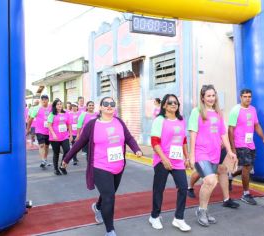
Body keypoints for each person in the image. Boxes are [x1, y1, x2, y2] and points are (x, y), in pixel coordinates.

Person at [62, 97, 142, 236]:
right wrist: (67, 158)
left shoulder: (119, 122)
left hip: (118, 165)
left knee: (109, 194)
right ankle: (110, 230)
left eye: (112, 104)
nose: (109, 106)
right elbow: (80, 142)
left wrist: (137, 149)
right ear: (101, 108)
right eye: (106, 104)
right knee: (109, 197)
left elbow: (128, 138)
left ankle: (98, 206)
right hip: (100, 166)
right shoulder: (92, 125)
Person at [188, 84, 236, 227]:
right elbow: (193, 134)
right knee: (210, 181)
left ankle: (203, 209)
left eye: (213, 95)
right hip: (201, 152)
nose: (211, 98)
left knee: (213, 180)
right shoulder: (196, 112)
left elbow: (223, 134)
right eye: (208, 96)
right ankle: (202, 211)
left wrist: (229, 151)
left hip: (215, 153)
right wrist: (191, 155)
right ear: (202, 97)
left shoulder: (218, 113)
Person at [148, 94, 191, 232]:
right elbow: (154, 141)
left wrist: (187, 156)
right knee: (159, 189)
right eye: (170, 102)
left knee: (183, 187)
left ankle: (179, 218)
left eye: (176, 102)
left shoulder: (181, 119)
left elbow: (183, 140)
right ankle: (154, 216)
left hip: (177, 160)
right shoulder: (159, 120)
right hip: (162, 160)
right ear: (164, 105)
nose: (174, 104)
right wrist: (164, 159)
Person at [228, 89, 264, 205]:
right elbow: (230, 129)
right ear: (240, 97)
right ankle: (246, 194)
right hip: (240, 143)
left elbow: (256, 125)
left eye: (249, 96)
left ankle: (230, 176)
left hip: (250, 143)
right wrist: (232, 147)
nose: (247, 98)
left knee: (248, 167)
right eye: (245, 96)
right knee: (246, 167)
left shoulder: (253, 109)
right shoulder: (235, 110)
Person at [48, 99, 72, 175]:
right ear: (55, 106)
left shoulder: (66, 113)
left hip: (64, 136)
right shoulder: (52, 114)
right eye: (58, 104)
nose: (59, 105)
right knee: (56, 153)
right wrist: (53, 134)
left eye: (60, 104)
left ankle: (62, 166)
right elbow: (49, 125)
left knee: (67, 150)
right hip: (55, 137)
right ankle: (56, 169)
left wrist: (70, 135)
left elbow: (69, 124)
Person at [26, 95, 51, 168]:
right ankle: (43, 160)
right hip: (39, 130)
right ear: (41, 100)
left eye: (45, 99)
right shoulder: (37, 109)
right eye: (42, 99)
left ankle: (45, 159)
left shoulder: (51, 109)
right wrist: (28, 129)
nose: (44, 100)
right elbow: (30, 119)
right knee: (41, 145)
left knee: (46, 146)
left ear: (48, 100)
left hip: (48, 130)